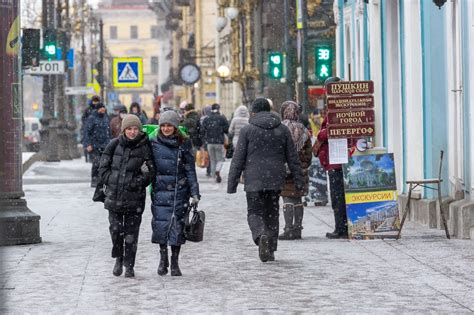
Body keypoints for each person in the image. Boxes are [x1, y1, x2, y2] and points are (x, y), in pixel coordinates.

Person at [227, 98, 304, 262]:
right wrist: (299, 180)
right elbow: (292, 157)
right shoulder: (282, 129)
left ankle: (261, 234)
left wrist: (232, 183)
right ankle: (271, 246)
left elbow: (238, 158)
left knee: (254, 212)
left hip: (254, 179)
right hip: (276, 178)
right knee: (272, 212)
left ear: (253, 112)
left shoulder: (247, 130)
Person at [98, 115, 155, 278]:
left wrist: (136, 182)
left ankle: (129, 265)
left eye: (135, 129)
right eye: (129, 129)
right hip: (114, 196)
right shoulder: (113, 145)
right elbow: (102, 168)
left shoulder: (145, 148)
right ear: (124, 130)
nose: (132, 132)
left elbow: (151, 172)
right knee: (115, 230)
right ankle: (119, 258)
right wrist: (111, 179)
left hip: (134, 197)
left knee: (131, 233)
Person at [150, 110, 200, 276]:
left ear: (175, 126)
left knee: (177, 226)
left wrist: (195, 193)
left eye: (169, 125)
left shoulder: (184, 143)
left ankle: (175, 262)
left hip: (180, 191)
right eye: (163, 125)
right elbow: (147, 165)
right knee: (161, 225)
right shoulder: (153, 142)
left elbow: (190, 170)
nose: (165, 128)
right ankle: (163, 258)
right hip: (160, 191)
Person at [317, 76, 350, 239]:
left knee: (338, 196)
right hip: (337, 158)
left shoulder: (338, 108)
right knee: (340, 195)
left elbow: (333, 130)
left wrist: (321, 134)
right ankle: (343, 226)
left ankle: (341, 228)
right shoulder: (340, 106)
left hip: (337, 159)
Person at [278, 101, 313, 240]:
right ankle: (298, 228)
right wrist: (303, 165)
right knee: (298, 198)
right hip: (300, 170)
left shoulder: (280, 129)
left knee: (287, 198)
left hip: (285, 169)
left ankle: (288, 229)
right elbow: (309, 153)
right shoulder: (303, 130)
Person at [84, 102, 111, 187]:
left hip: (105, 145)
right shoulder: (92, 118)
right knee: (96, 163)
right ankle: (94, 180)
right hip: (95, 146)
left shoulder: (106, 118)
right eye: (101, 107)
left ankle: (102, 180)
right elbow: (87, 132)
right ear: (97, 109)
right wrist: (88, 144)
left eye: (104, 107)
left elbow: (108, 132)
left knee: (105, 163)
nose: (103, 109)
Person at [201, 103, 229, 183]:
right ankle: (217, 171)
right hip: (219, 142)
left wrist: (205, 139)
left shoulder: (207, 118)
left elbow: (202, 130)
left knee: (212, 159)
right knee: (220, 159)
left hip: (209, 142)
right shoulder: (221, 118)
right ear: (219, 109)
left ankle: (213, 176)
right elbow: (226, 129)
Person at [81, 95, 101, 162]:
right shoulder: (88, 109)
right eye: (94, 101)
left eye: (97, 101)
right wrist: (87, 124)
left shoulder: (101, 109)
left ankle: (93, 158)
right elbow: (83, 119)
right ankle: (88, 156)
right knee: (88, 142)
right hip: (90, 128)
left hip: (97, 129)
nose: (95, 102)